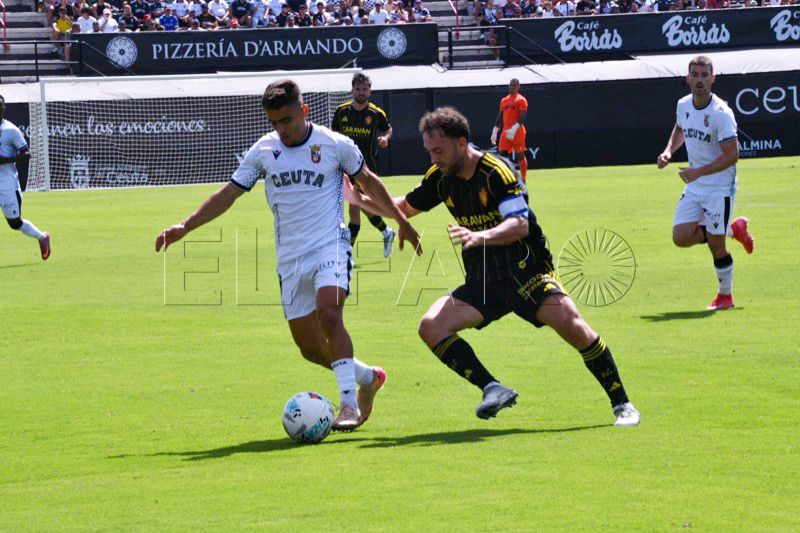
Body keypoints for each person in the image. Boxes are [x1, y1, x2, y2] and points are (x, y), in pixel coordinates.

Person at [155, 80, 421, 430]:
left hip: (331, 245)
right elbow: (228, 194)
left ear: (304, 111)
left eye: (287, 120)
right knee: (309, 347)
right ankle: (368, 377)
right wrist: (185, 226)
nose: (281, 129)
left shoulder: (334, 144)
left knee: (330, 315)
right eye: (274, 122)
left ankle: (348, 406)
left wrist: (401, 220)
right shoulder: (264, 152)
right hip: (291, 258)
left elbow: (368, 181)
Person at [390, 106, 639, 426]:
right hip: (483, 280)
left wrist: (480, 236)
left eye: (438, 150)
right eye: (428, 151)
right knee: (431, 326)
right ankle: (492, 388)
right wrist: (357, 196)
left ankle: (623, 405)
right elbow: (404, 208)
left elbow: (519, 226)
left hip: (526, 272)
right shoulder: (440, 178)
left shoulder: (497, 172)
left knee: (574, 327)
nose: (433, 158)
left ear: (461, 143)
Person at [657, 56, 754, 311]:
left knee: (716, 244)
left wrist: (698, 172)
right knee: (680, 236)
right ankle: (732, 229)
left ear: (713, 79)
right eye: (695, 75)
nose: (699, 80)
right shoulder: (683, 104)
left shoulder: (721, 114)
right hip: (696, 183)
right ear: (687, 78)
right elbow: (680, 128)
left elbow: (732, 156)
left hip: (720, 186)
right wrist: (669, 151)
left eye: (704, 75)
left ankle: (725, 296)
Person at [331, 73, 396, 257]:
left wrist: (385, 138)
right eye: (358, 89)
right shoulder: (341, 111)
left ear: (370, 91)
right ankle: (386, 232)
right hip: (344, 168)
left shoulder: (376, 113)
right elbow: (333, 135)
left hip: (366, 169)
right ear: (352, 90)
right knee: (359, 205)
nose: (361, 92)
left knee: (354, 207)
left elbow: (388, 128)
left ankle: (346, 253)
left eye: (364, 89)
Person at [0, 96, 51, 260]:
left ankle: (42, 237)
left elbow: (27, 154)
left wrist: (5, 160)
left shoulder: (11, 130)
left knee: (15, 223)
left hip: (7, 184)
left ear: (3, 108)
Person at [491, 78, 528, 182]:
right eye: (510, 85)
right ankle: (504, 180)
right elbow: (500, 117)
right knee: (501, 157)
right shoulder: (504, 100)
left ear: (518, 87)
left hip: (517, 132)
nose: (512, 87)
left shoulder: (521, 100)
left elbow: (522, 117)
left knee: (520, 156)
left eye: (514, 85)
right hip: (505, 132)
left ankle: (523, 180)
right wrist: (494, 131)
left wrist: (514, 128)